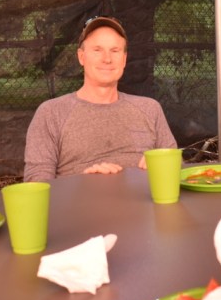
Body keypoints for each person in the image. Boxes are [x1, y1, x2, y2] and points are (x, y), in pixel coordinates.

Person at [24, 16, 177, 181]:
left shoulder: (150, 109)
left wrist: (163, 166)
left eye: (115, 51)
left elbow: (177, 171)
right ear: (81, 57)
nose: (107, 59)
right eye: (97, 50)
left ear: (124, 59)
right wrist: (85, 185)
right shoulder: (51, 113)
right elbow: (36, 183)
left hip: (143, 197)